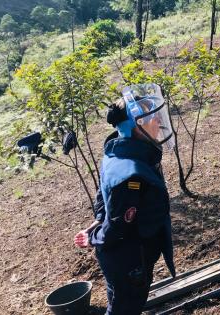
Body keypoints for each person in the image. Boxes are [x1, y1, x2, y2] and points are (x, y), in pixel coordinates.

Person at [74, 83, 176, 315]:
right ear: (136, 128)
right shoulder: (131, 174)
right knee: (125, 307)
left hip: (129, 255)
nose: (158, 123)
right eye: (151, 119)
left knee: (120, 301)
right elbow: (118, 226)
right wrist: (95, 237)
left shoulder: (117, 150)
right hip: (127, 259)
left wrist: (97, 220)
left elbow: (103, 195)